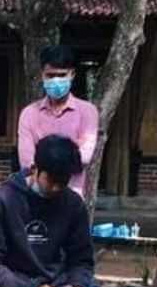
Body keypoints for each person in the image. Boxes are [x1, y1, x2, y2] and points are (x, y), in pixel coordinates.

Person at [0, 134, 111, 287]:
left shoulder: (73, 204)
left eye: (63, 182)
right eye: (52, 181)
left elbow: (81, 259)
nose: (57, 188)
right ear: (34, 169)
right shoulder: (3, 200)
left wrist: (76, 285)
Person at [17, 45, 98, 197]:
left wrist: (43, 154)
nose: (56, 80)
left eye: (61, 75)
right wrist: (72, 146)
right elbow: (27, 162)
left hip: (72, 198)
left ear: (72, 74)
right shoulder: (28, 114)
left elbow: (85, 158)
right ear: (42, 75)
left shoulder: (88, 112)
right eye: (50, 75)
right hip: (36, 197)